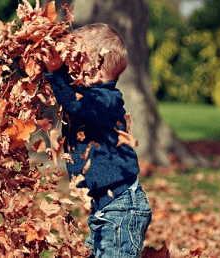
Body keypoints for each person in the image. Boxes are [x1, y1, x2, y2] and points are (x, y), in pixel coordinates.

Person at [42, 23, 152, 258]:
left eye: (76, 63)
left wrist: (55, 74)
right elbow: (70, 98)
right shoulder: (93, 97)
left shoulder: (106, 101)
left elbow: (76, 104)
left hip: (121, 209)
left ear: (97, 71)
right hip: (105, 209)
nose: (70, 68)